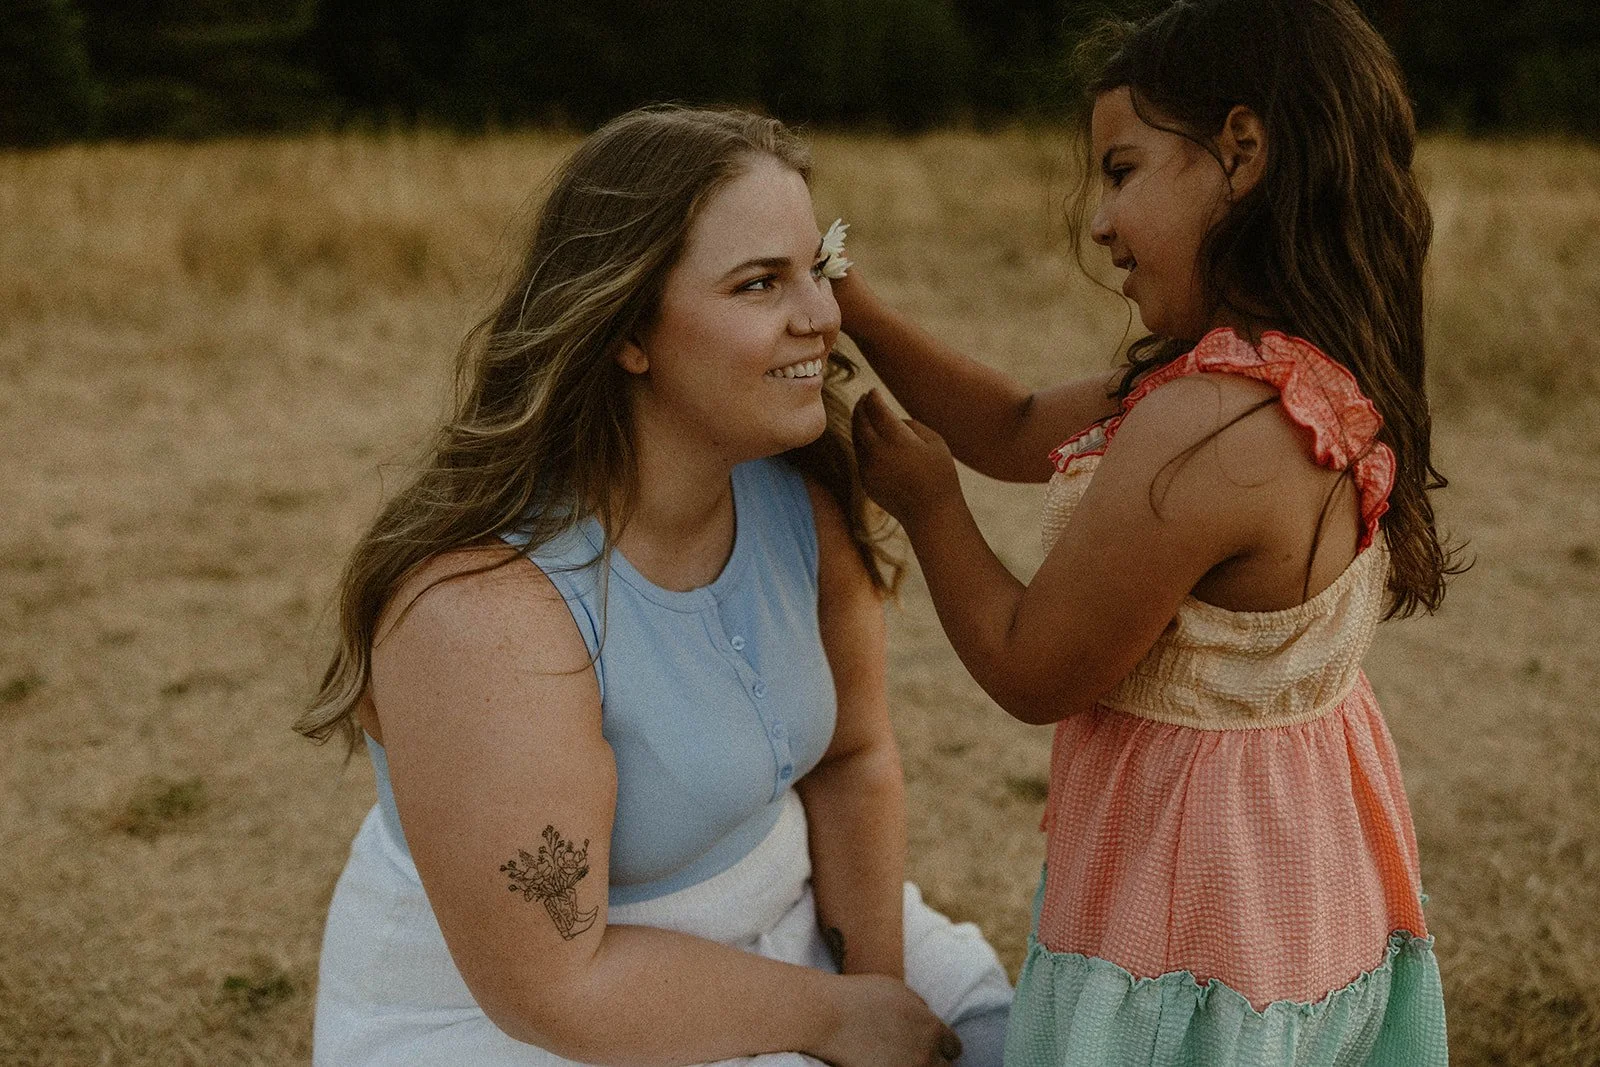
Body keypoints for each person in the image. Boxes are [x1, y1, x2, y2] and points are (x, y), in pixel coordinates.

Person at [297, 106, 1012, 1067]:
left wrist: (873, 989)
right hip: (533, 1011)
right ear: (629, 330)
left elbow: (853, 756)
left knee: (1008, 1037)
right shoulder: (484, 610)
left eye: (818, 267)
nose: (824, 316)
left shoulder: (798, 492)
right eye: (761, 283)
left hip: (784, 919)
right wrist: (838, 1024)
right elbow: (560, 985)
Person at [837, 0, 1457, 1062]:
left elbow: (1036, 669)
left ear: (1241, 151)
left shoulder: (1209, 427)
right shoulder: (1291, 380)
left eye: (1121, 171)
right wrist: (848, 302)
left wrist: (928, 504)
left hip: (1186, 917)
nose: (1099, 220)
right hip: (1293, 895)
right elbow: (1016, 424)